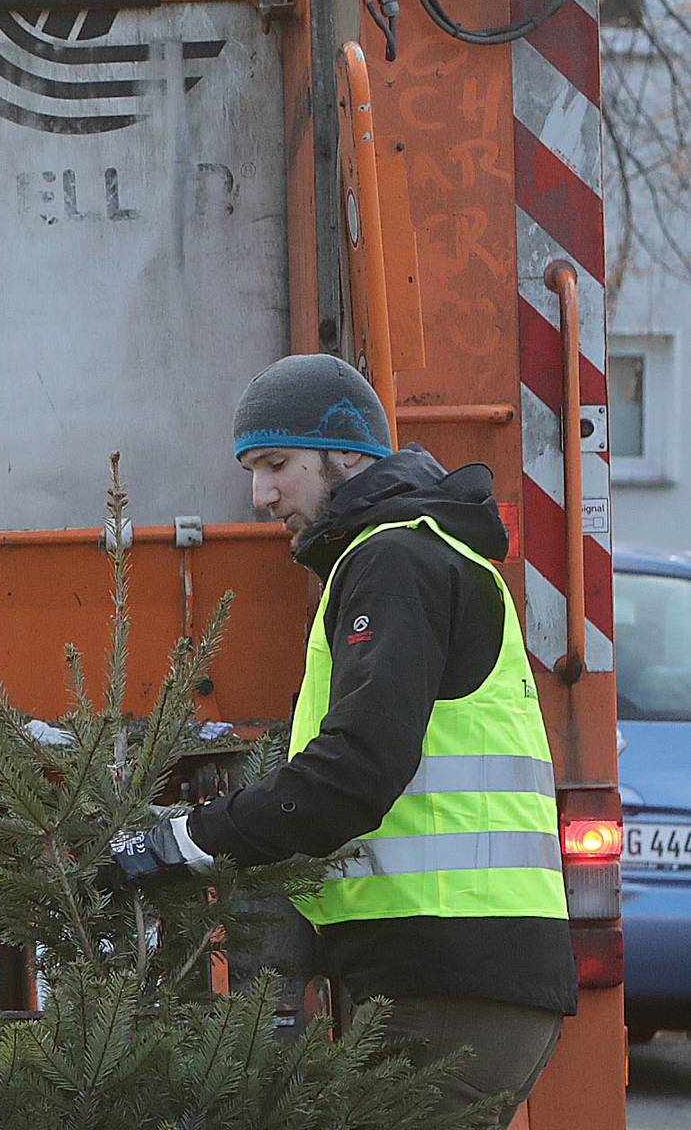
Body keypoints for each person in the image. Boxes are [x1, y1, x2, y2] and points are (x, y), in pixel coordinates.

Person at [109, 353, 573, 1121]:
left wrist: (184, 841)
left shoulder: (392, 559)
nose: (260, 495)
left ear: (347, 454)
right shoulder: (410, 554)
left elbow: (354, 770)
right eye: (251, 470)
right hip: (455, 975)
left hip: (451, 979)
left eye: (276, 465)